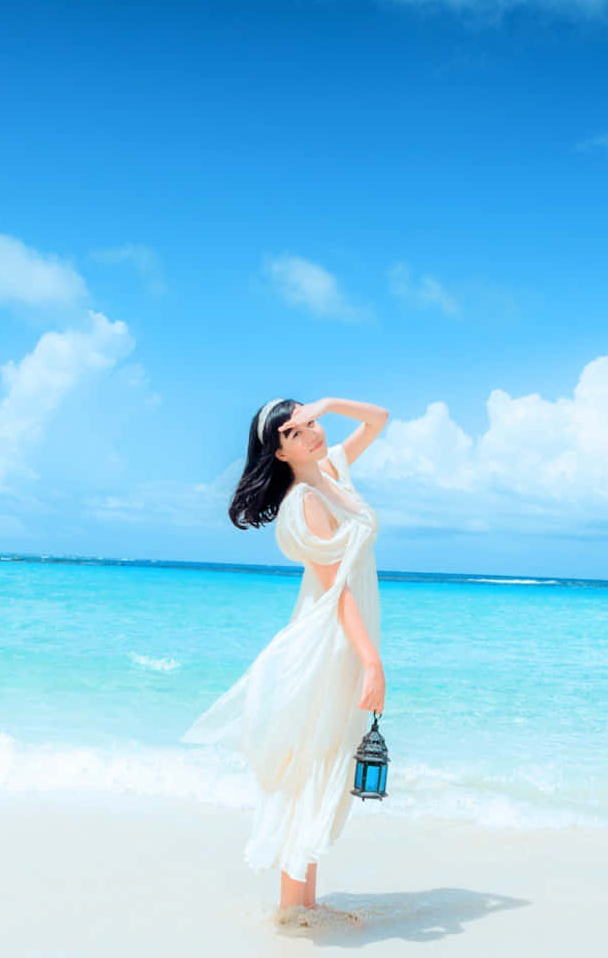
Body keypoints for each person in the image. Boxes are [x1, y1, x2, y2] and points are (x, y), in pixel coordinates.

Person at [182, 395, 389, 924]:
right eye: (295, 433)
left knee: (323, 765)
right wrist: (371, 661)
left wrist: (329, 403)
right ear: (277, 453)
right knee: (309, 768)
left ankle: (305, 908)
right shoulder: (306, 503)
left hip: (346, 639)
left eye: (312, 424)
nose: (313, 434)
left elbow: (380, 419)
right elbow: (337, 588)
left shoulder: (334, 470)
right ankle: (290, 915)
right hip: (329, 643)